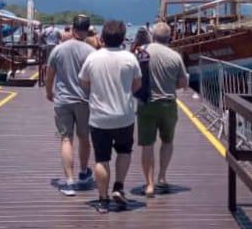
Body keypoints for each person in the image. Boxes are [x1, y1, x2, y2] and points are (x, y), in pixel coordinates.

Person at [79, 20, 142, 214]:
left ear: (103, 37)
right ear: (123, 38)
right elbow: (137, 84)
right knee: (124, 152)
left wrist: (98, 92)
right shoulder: (130, 58)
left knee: (101, 159)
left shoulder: (93, 58)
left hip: (99, 117)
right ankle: (118, 187)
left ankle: (103, 199)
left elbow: (84, 83)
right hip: (124, 115)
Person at [45, 15, 95, 196]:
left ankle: (69, 181)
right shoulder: (91, 52)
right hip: (84, 101)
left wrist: (49, 92)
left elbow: (49, 75)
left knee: (66, 139)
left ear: (73, 29)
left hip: (63, 100)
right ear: (87, 30)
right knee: (84, 138)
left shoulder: (58, 50)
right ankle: (83, 172)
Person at [137, 22, 187, 198]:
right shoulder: (175, 56)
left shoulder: (142, 52)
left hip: (146, 103)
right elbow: (182, 83)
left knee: (147, 144)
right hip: (168, 103)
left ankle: (149, 184)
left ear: (153, 35)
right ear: (169, 37)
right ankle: (162, 177)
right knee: (167, 141)